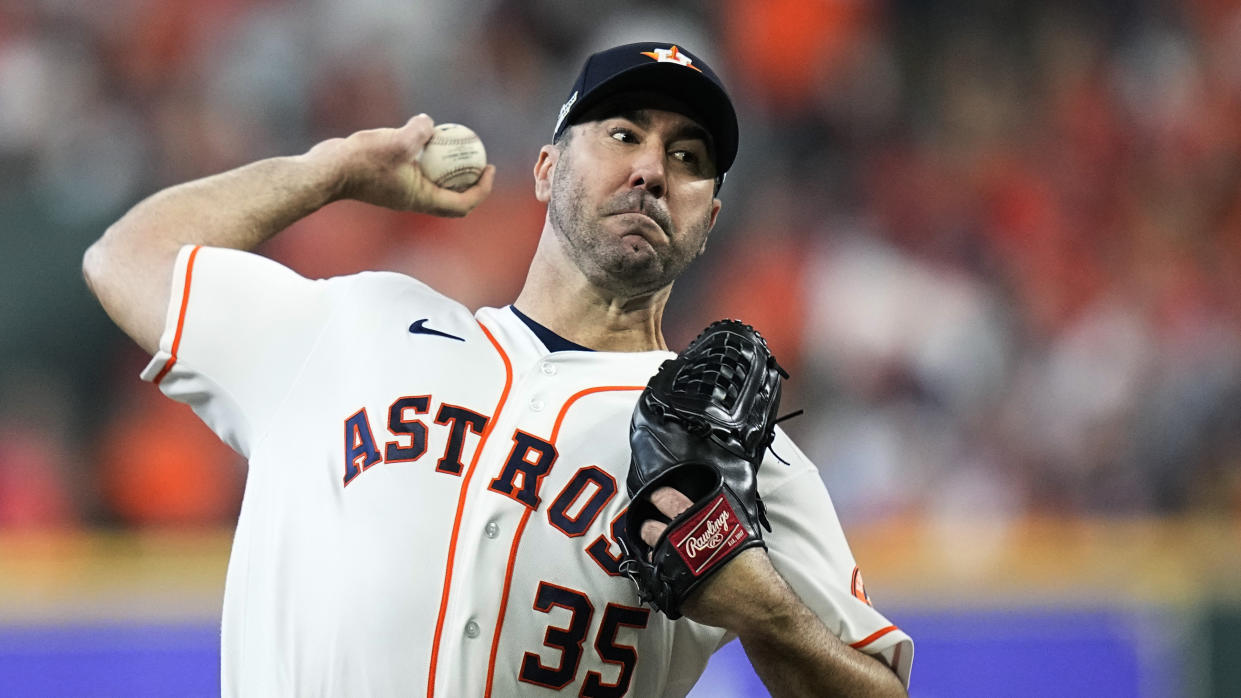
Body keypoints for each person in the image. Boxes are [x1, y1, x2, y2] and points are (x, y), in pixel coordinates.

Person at [83, 41, 912, 697]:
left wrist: (763, 609)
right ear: (546, 169)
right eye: (623, 134)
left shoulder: (736, 456)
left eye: (690, 157)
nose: (653, 170)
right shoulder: (353, 324)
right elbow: (127, 258)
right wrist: (327, 171)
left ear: (710, 217)